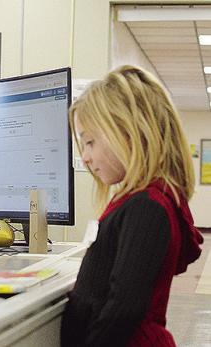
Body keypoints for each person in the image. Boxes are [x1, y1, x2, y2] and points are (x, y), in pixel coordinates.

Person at [60, 65, 204, 346]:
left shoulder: (147, 208)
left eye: (90, 142)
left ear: (129, 134)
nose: (85, 157)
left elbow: (123, 309)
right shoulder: (140, 202)